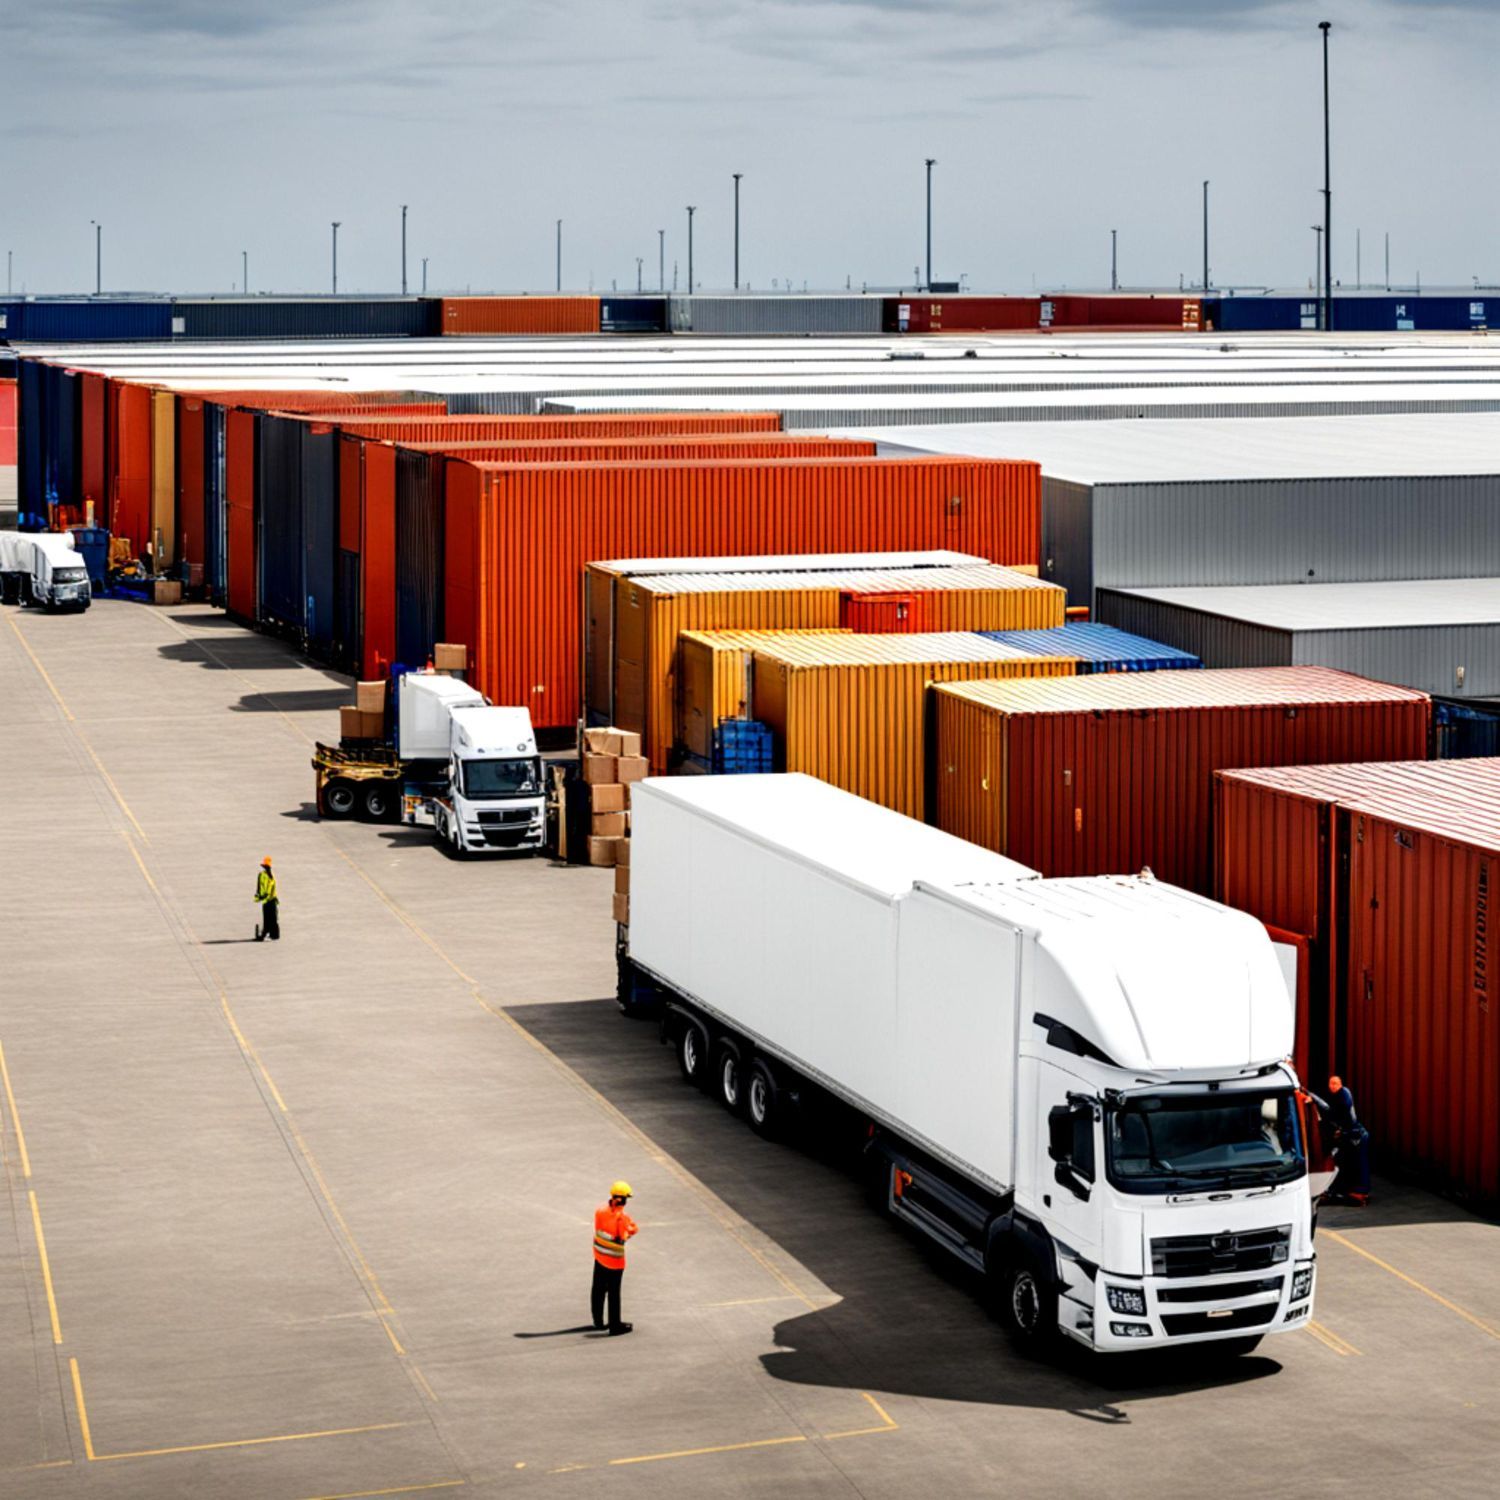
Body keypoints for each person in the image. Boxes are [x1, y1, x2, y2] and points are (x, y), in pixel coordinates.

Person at [591, 1181, 638, 1335]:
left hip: (599, 1256)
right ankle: (615, 1325)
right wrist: (630, 1229)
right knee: (613, 1293)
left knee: (598, 1288)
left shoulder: (600, 1211)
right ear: (621, 1199)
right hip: (614, 1261)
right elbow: (628, 1231)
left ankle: (598, 1321)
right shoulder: (622, 1218)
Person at [1317, 1075, 1371, 1205]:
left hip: (1356, 1136)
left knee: (1357, 1164)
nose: (1333, 1086)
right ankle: (1347, 1191)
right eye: (1330, 1084)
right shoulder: (1336, 1099)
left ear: (1340, 1084)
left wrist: (1312, 1098)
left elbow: (1336, 1110)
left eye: (1335, 1083)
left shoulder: (1344, 1094)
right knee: (1346, 1162)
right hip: (1350, 1135)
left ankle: (1360, 1193)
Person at [254, 856, 280, 942]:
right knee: (271, 918)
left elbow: (264, 888)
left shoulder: (265, 876)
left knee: (269, 918)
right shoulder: (268, 876)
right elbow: (262, 887)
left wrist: (261, 896)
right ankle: (271, 934)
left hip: (269, 900)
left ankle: (269, 934)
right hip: (270, 900)